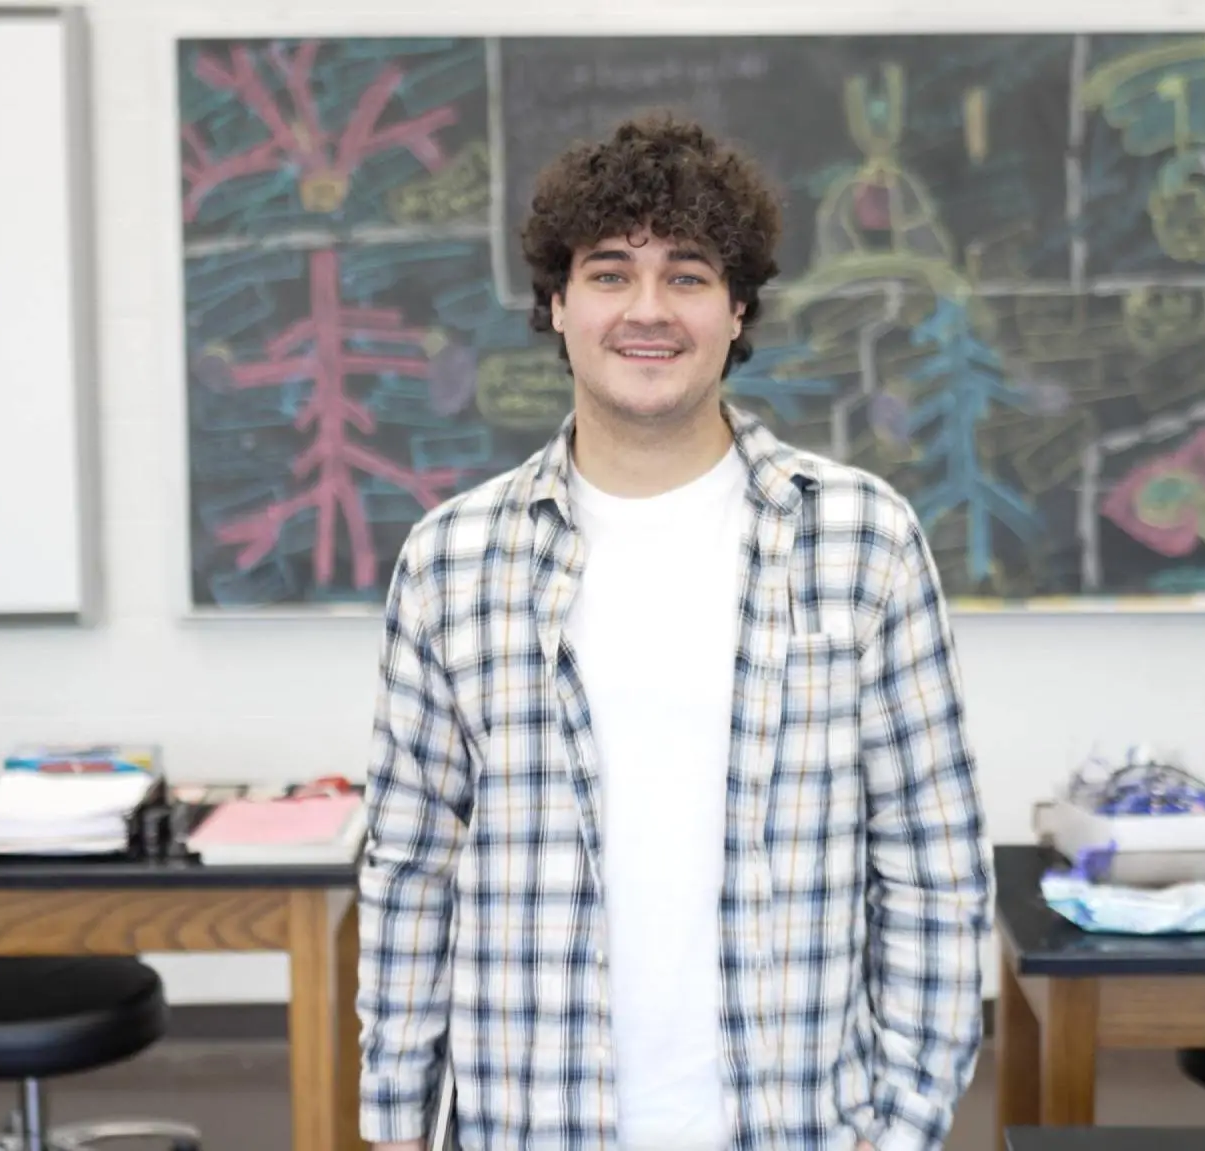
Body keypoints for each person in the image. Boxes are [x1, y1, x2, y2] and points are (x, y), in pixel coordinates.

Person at [357, 112, 992, 1151]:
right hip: (527, 1119)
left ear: (735, 308)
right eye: (609, 272)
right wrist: (391, 1119)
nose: (645, 310)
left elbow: (930, 861)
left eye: (687, 274)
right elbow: (409, 865)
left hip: (792, 1122)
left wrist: (906, 1121)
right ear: (555, 303)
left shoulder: (861, 540)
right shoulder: (450, 559)